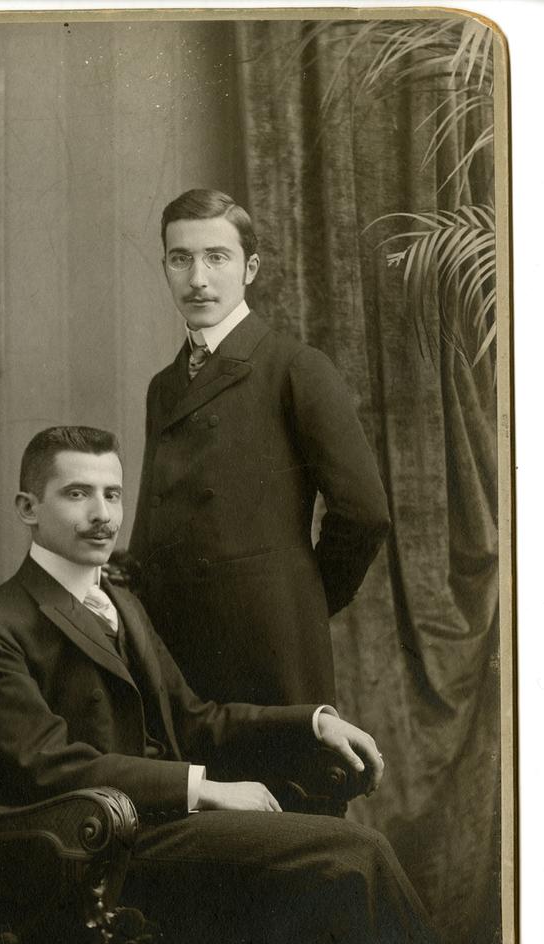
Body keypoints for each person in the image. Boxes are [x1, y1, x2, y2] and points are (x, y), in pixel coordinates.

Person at [0, 426, 457, 944]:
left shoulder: (123, 604)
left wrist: (314, 722)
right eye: (77, 494)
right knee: (352, 853)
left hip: (165, 825)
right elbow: (46, 762)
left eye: (113, 494)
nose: (102, 514)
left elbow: (197, 719)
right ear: (28, 509)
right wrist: (205, 789)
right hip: (104, 844)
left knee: (342, 860)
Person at [128, 188, 391, 709]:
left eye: (216, 258)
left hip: (266, 650)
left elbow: (364, 513)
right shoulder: (164, 385)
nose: (197, 278)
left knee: (276, 789)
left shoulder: (295, 368)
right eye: (180, 259)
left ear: (250, 268)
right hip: (176, 650)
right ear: (164, 267)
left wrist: (302, 601)